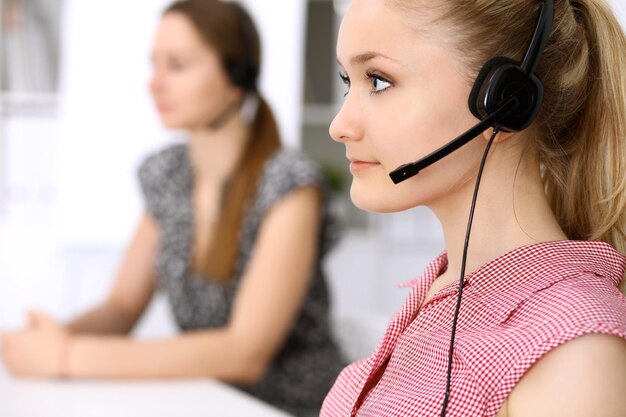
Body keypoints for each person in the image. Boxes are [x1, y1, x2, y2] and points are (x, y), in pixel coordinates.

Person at [0, 1, 344, 415]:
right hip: (206, 402)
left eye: (177, 65)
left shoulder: (290, 183)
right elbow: (123, 307)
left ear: (237, 78)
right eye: (154, 64)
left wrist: (66, 355)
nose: (155, 83)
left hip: (294, 408)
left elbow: (244, 354)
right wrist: (46, 340)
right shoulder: (167, 175)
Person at [321, 0, 626, 416]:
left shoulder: (572, 349)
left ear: (501, 100)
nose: (340, 125)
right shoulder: (441, 294)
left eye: (378, 81)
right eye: (347, 80)